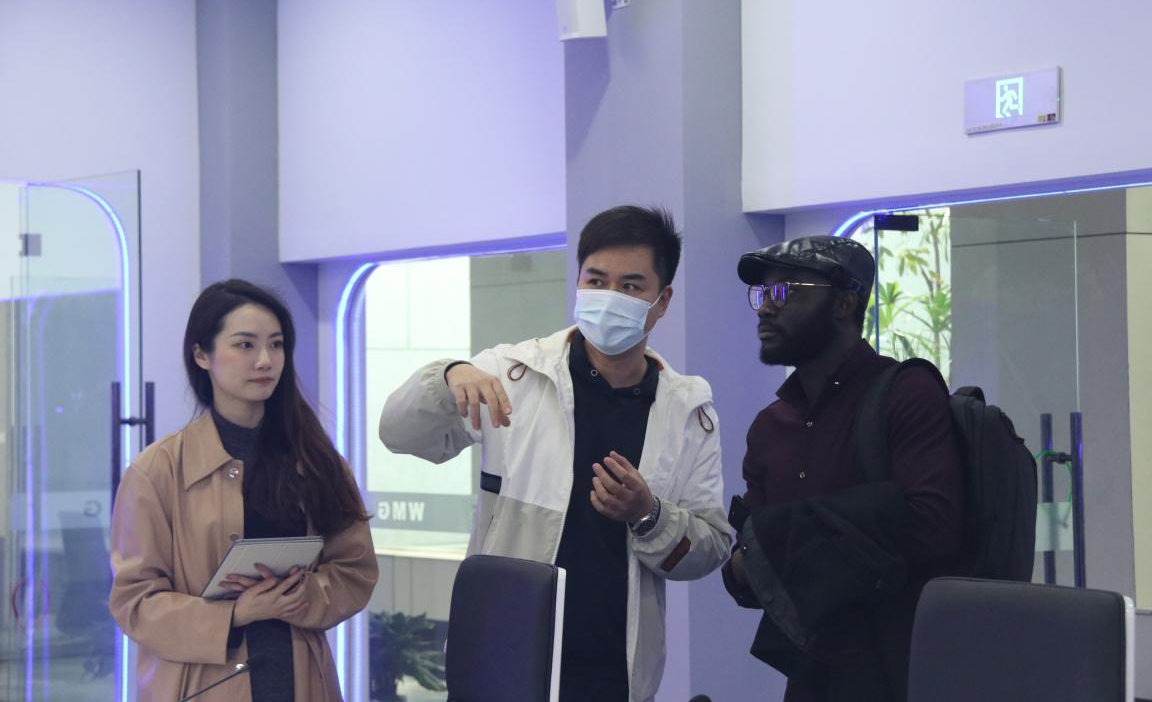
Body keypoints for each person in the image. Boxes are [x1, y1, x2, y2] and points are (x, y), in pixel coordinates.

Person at [378, 205, 730, 702]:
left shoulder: (687, 409)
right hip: (502, 658)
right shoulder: (514, 374)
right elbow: (398, 434)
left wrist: (648, 515)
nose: (610, 297)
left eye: (630, 286)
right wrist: (447, 375)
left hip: (614, 671)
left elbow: (710, 547)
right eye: (596, 280)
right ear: (578, 282)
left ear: (662, 300)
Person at [109, 279, 378, 701]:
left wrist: (304, 596)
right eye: (245, 345)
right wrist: (234, 614)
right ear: (202, 355)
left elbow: (354, 570)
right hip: (204, 686)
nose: (265, 360)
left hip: (301, 681)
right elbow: (135, 603)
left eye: (276, 344)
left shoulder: (317, 460)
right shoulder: (156, 471)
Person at [722, 236, 964, 702]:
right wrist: (751, 561)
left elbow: (935, 529)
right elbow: (750, 565)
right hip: (811, 676)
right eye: (762, 293)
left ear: (844, 303)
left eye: (784, 291)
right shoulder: (770, 427)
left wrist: (791, 544)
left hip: (904, 670)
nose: (765, 308)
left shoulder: (905, 393)